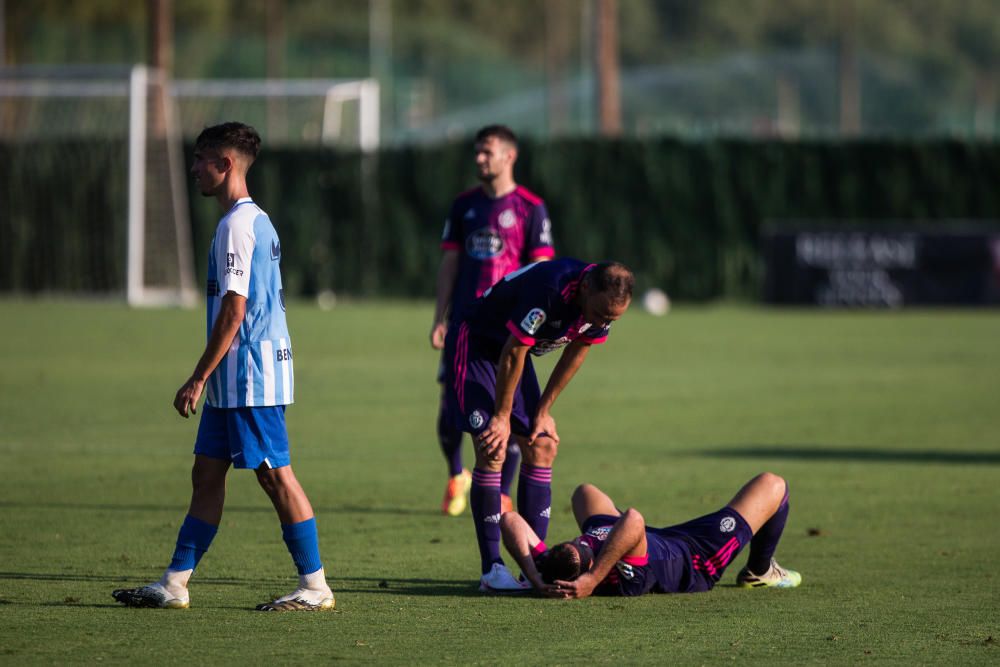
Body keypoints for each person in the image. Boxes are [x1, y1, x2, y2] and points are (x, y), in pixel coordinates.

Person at [112, 122, 335, 612]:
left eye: (200, 159)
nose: (193, 169)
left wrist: (198, 376)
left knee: (276, 476)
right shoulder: (253, 219)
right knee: (206, 475)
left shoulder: (237, 225)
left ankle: (315, 586)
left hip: (249, 375)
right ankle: (175, 583)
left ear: (225, 164)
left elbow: (236, 311)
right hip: (236, 379)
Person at [443, 258, 634, 591]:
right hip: (477, 342)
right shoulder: (551, 289)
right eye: (601, 314)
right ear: (587, 288)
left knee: (542, 443)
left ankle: (535, 568)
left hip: (514, 352)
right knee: (492, 445)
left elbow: (579, 349)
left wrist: (543, 410)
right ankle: (493, 570)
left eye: (612, 319)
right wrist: (502, 419)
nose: (603, 322)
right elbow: (514, 352)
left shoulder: (603, 306)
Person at [430, 124, 555, 518]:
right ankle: (456, 474)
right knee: (451, 412)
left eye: (488, 152)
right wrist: (440, 317)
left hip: (509, 333)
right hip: (464, 327)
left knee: (510, 410)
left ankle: (500, 492)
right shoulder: (463, 205)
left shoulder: (530, 208)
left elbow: (542, 270)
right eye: (478, 152)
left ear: (509, 156)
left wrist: (538, 324)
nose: (480, 159)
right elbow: (451, 263)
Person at [501, 472, 802, 598]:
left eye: (576, 542)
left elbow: (510, 520)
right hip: (693, 556)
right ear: (594, 568)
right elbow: (633, 520)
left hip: (649, 539)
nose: (582, 541)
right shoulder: (625, 577)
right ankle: (760, 571)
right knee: (774, 485)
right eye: (585, 547)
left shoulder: (561, 562)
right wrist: (592, 582)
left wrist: (535, 577)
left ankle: (605, 535)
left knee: (584, 492)